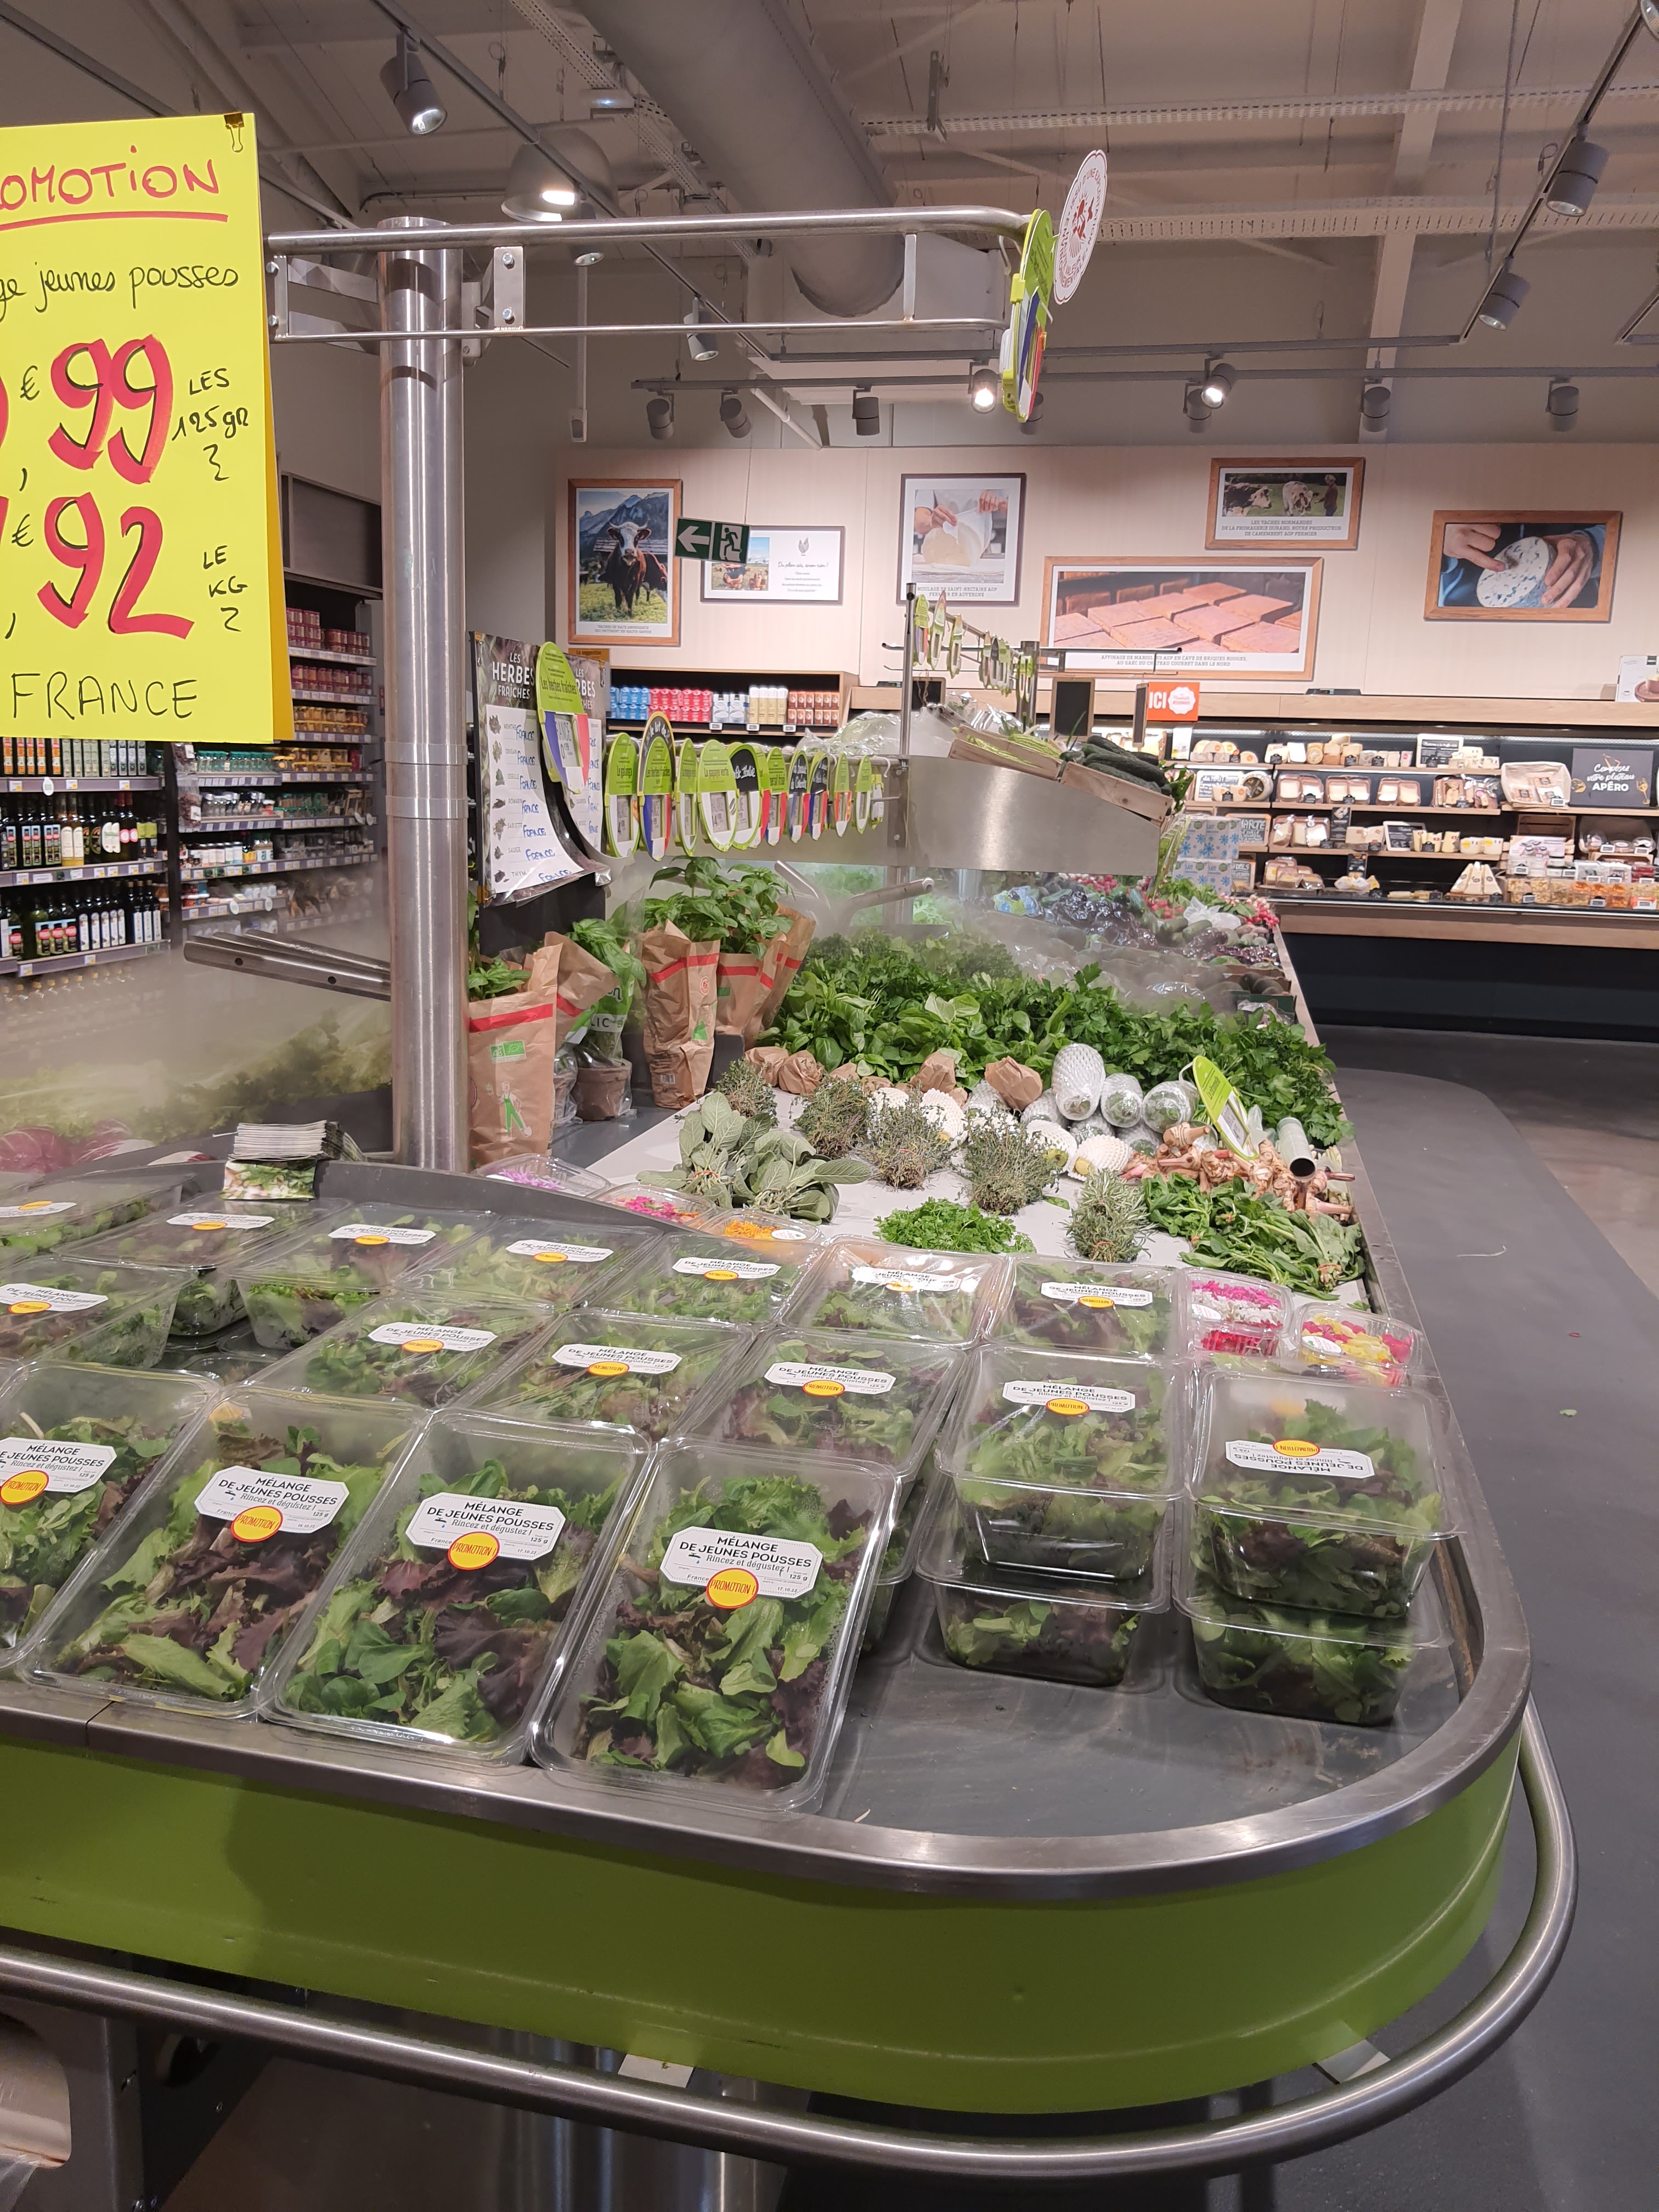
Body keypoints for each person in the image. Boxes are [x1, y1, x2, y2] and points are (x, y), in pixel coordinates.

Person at [1438, 520, 1604, 610]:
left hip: (1578, 610)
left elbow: (1619, 517)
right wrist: (1436, 536)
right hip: (1469, 613)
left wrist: (1595, 543)